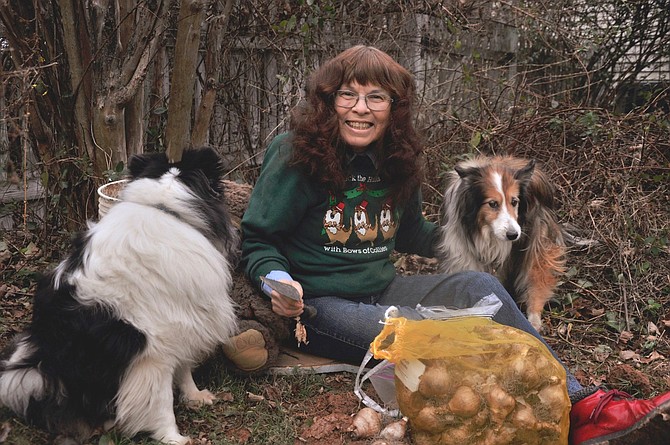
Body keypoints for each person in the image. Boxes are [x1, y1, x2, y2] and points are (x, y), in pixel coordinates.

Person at [234, 45, 670, 444]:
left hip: (382, 286)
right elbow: (258, 238)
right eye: (348, 95)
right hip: (321, 305)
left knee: (478, 289)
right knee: (420, 333)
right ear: (329, 102)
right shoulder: (296, 153)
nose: (360, 109)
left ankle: (587, 406)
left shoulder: (396, 157)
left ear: (394, 108)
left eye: (376, 97)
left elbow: (407, 233)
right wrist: (278, 281)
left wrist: (482, 234)